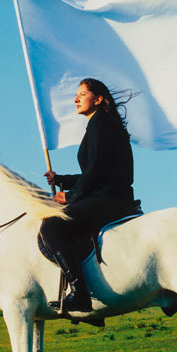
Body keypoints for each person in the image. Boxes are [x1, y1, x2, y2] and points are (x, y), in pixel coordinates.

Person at [41, 78, 135, 313]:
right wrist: (61, 179)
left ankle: (80, 293)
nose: (76, 99)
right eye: (77, 95)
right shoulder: (102, 123)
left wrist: (70, 197)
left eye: (82, 94)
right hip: (108, 193)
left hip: (109, 198)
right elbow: (94, 169)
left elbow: (95, 172)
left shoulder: (101, 124)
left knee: (51, 226)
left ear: (99, 99)